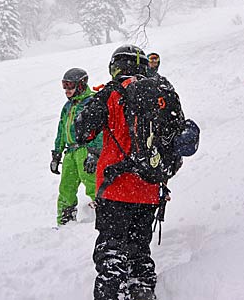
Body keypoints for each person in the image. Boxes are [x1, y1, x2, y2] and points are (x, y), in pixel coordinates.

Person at [74, 45, 192, 300]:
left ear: (116, 66)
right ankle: (141, 290)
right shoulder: (163, 93)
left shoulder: (110, 93)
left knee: (112, 253)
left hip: (115, 189)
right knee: (139, 250)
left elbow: (82, 132)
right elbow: (178, 137)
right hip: (149, 189)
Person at [50, 67, 103, 225]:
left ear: (81, 85)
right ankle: (65, 221)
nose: (66, 89)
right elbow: (61, 130)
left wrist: (94, 152)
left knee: (92, 183)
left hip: (85, 149)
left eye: (70, 85)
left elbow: (100, 129)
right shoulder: (68, 106)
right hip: (70, 152)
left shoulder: (92, 102)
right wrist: (57, 154)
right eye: (64, 85)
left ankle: (104, 217)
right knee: (66, 188)